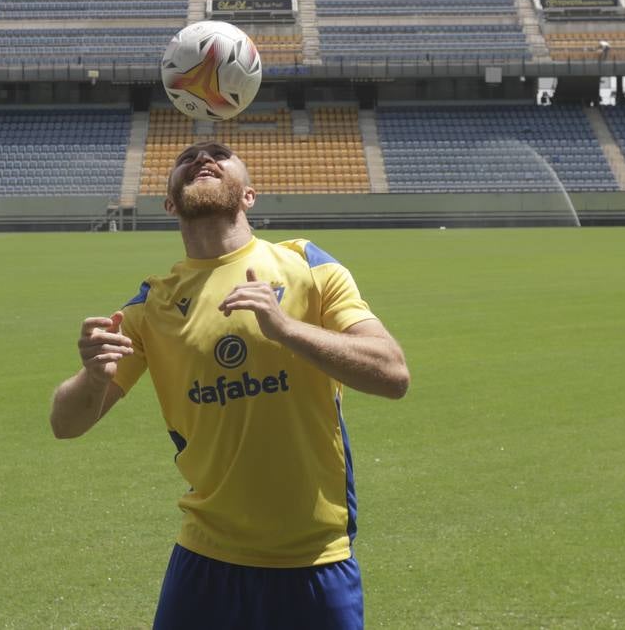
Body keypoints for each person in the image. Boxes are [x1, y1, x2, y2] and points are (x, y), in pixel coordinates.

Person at [50, 140, 409, 629]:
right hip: (205, 558)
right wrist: (93, 378)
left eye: (219, 153)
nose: (202, 159)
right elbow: (65, 424)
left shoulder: (306, 264)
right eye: (186, 159)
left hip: (313, 558)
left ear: (249, 195)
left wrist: (285, 329)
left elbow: (392, 373)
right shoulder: (148, 307)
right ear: (170, 204)